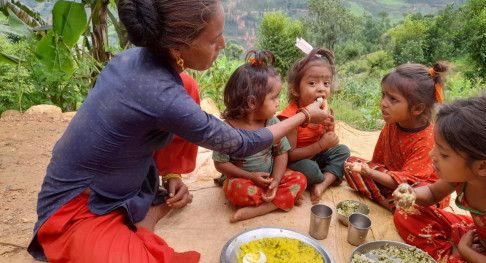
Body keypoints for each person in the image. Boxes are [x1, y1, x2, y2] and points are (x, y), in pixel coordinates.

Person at [26, 1, 329, 262]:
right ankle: (131, 220)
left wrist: (171, 175)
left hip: (130, 181)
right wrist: (304, 114)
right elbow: (239, 143)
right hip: (81, 205)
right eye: (214, 40)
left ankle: (163, 185)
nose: (222, 46)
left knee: (189, 86)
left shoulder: (144, 62)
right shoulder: (160, 94)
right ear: (177, 47)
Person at [392, 92, 486, 263]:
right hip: (482, 239)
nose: (432, 155)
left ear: (483, 166)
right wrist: (413, 194)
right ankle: (453, 254)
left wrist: (465, 251)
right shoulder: (466, 174)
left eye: (444, 154)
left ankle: (455, 255)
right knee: (406, 213)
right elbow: (432, 193)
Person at [212, 50, 307, 223]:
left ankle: (264, 207)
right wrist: (250, 177)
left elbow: (281, 152)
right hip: (243, 180)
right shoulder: (227, 129)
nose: (279, 103)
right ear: (252, 102)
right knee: (237, 189)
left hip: (270, 178)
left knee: (300, 179)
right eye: (274, 98)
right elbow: (220, 164)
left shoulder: (272, 122)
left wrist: (276, 181)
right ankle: (283, 200)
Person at [343, 62, 450, 211]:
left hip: (419, 190)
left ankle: (393, 204)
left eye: (393, 99)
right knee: (350, 163)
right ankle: (391, 204)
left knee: (417, 202)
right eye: (383, 95)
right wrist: (368, 171)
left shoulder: (427, 140)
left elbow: (409, 183)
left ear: (418, 108)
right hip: (392, 179)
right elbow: (378, 163)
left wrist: (370, 173)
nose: (383, 103)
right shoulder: (392, 123)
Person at [277, 48, 351, 204]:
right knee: (310, 169)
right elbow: (290, 155)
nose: (321, 88)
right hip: (295, 161)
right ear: (295, 90)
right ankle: (328, 177)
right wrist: (321, 144)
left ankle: (321, 184)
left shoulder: (321, 112)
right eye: (312, 83)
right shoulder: (290, 117)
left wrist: (328, 132)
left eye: (326, 83)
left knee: (343, 151)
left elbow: (325, 143)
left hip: (316, 155)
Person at [152, 72, 199, 201]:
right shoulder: (128, 83)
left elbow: (176, 139)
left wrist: (171, 176)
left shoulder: (186, 84)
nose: (219, 49)